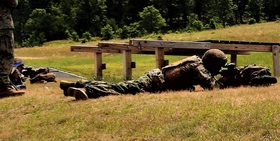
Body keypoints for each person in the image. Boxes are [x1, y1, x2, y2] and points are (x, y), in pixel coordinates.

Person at [62, 49, 228, 100]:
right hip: (154, 83)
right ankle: (87, 90)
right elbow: (212, 87)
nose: (219, 70)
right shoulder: (199, 68)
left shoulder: (196, 61)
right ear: (212, 63)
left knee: (121, 87)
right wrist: (226, 80)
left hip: (155, 78)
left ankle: (77, 85)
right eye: (219, 67)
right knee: (119, 90)